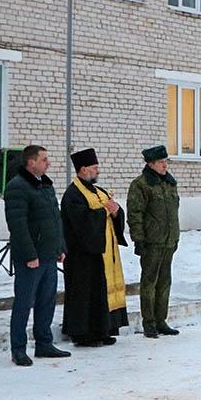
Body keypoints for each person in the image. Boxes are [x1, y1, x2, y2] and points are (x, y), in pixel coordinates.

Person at [3, 145, 69, 365]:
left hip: (49, 254)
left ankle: (44, 343)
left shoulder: (45, 185)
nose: (48, 163)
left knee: (46, 302)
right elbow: (18, 225)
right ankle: (18, 349)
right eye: (44, 159)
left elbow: (55, 219)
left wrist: (60, 247)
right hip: (30, 258)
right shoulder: (17, 187)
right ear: (31, 162)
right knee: (24, 303)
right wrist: (29, 254)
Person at [61, 148, 129, 347]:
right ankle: (84, 335)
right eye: (94, 167)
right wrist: (104, 211)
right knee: (84, 294)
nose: (98, 171)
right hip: (82, 255)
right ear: (83, 169)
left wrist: (116, 212)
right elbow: (81, 222)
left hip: (103, 252)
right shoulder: (73, 194)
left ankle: (103, 330)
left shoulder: (99, 191)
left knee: (101, 293)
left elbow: (113, 213)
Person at [127, 145, 181, 338]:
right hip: (152, 242)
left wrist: (175, 236)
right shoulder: (141, 185)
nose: (165, 165)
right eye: (160, 162)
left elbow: (173, 212)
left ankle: (161, 320)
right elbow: (135, 214)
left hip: (168, 240)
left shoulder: (169, 183)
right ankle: (149, 322)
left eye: (166, 161)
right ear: (150, 164)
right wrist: (138, 240)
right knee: (149, 282)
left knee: (165, 282)